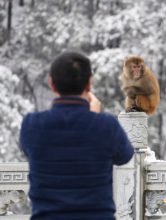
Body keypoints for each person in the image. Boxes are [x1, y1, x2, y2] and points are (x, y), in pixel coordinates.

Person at [19, 51, 134, 220]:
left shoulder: (32, 125)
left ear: (52, 83)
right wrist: (94, 117)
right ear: (89, 84)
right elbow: (125, 156)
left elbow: (29, 151)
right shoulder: (107, 126)